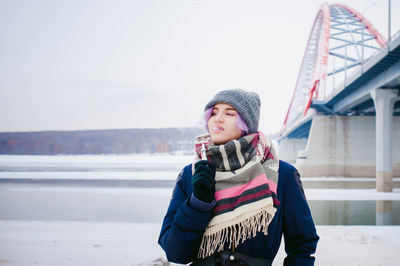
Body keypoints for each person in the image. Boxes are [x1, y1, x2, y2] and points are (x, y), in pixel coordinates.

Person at [158, 89, 319, 265]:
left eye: (229, 113)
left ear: (246, 123)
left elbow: (302, 246)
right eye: (213, 113)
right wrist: (198, 205)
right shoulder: (192, 174)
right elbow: (175, 254)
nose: (218, 118)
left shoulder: (282, 175)